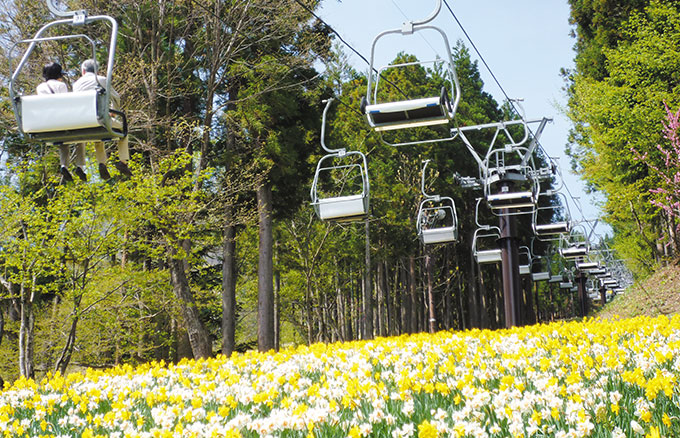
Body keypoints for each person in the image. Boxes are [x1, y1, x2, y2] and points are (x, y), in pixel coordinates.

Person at [73, 59, 131, 179]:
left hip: (83, 122)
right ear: (96, 70)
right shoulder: (101, 80)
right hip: (100, 120)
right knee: (123, 128)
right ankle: (123, 161)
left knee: (97, 136)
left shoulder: (76, 84)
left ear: (83, 71)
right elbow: (116, 97)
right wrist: (113, 113)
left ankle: (101, 163)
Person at [36, 62, 87, 182]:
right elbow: (65, 103)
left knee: (63, 142)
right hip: (61, 120)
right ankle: (80, 166)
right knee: (80, 139)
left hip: (48, 123)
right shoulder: (61, 86)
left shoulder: (40, 87)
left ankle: (64, 165)